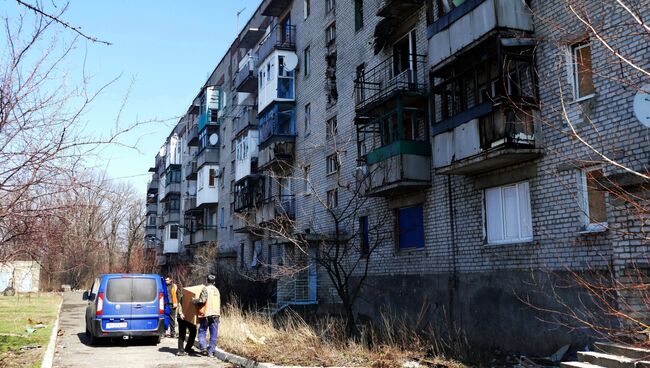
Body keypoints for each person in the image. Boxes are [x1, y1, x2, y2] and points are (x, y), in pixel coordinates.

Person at [193, 274, 220, 357]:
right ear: (214, 282)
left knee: (202, 331)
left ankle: (204, 348)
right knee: (213, 334)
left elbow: (202, 300)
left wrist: (194, 301)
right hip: (216, 315)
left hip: (206, 314)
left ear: (207, 281)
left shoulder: (206, 289)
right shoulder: (217, 290)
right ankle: (211, 352)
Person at [176, 283, 197, 356]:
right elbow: (179, 305)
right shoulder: (183, 296)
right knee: (182, 333)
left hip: (188, 317)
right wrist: (180, 313)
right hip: (181, 317)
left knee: (193, 331)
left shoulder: (193, 298)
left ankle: (187, 349)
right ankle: (180, 350)